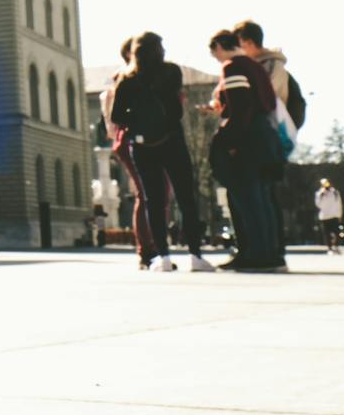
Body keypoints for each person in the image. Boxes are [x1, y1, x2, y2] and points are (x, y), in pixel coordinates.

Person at [111, 32, 216, 272]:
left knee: (153, 201)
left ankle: (163, 257)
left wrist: (137, 122)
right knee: (186, 198)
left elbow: (117, 116)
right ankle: (195, 255)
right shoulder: (171, 72)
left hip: (141, 146)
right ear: (158, 50)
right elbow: (177, 110)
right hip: (172, 141)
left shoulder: (127, 79)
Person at [208, 29, 286, 272]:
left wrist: (226, 141)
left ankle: (255, 254)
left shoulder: (232, 67)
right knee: (261, 200)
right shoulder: (255, 67)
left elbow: (241, 107)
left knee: (246, 199)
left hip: (247, 140)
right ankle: (269, 253)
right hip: (264, 137)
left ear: (221, 46)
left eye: (215, 54)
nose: (217, 59)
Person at [103, 37, 153, 270]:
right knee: (146, 193)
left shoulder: (136, 75)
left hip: (132, 138)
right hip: (132, 138)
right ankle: (147, 250)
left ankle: (150, 247)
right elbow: (116, 115)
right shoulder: (125, 76)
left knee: (150, 193)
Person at [315, 178, 344, 254]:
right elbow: (318, 205)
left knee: (337, 232)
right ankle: (330, 248)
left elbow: (339, 204)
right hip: (324, 217)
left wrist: (340, 215)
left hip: (334, 215)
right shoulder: (319, 194)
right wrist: (322, 195)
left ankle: (336, 246)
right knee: (326, 233)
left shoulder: (335, 192)